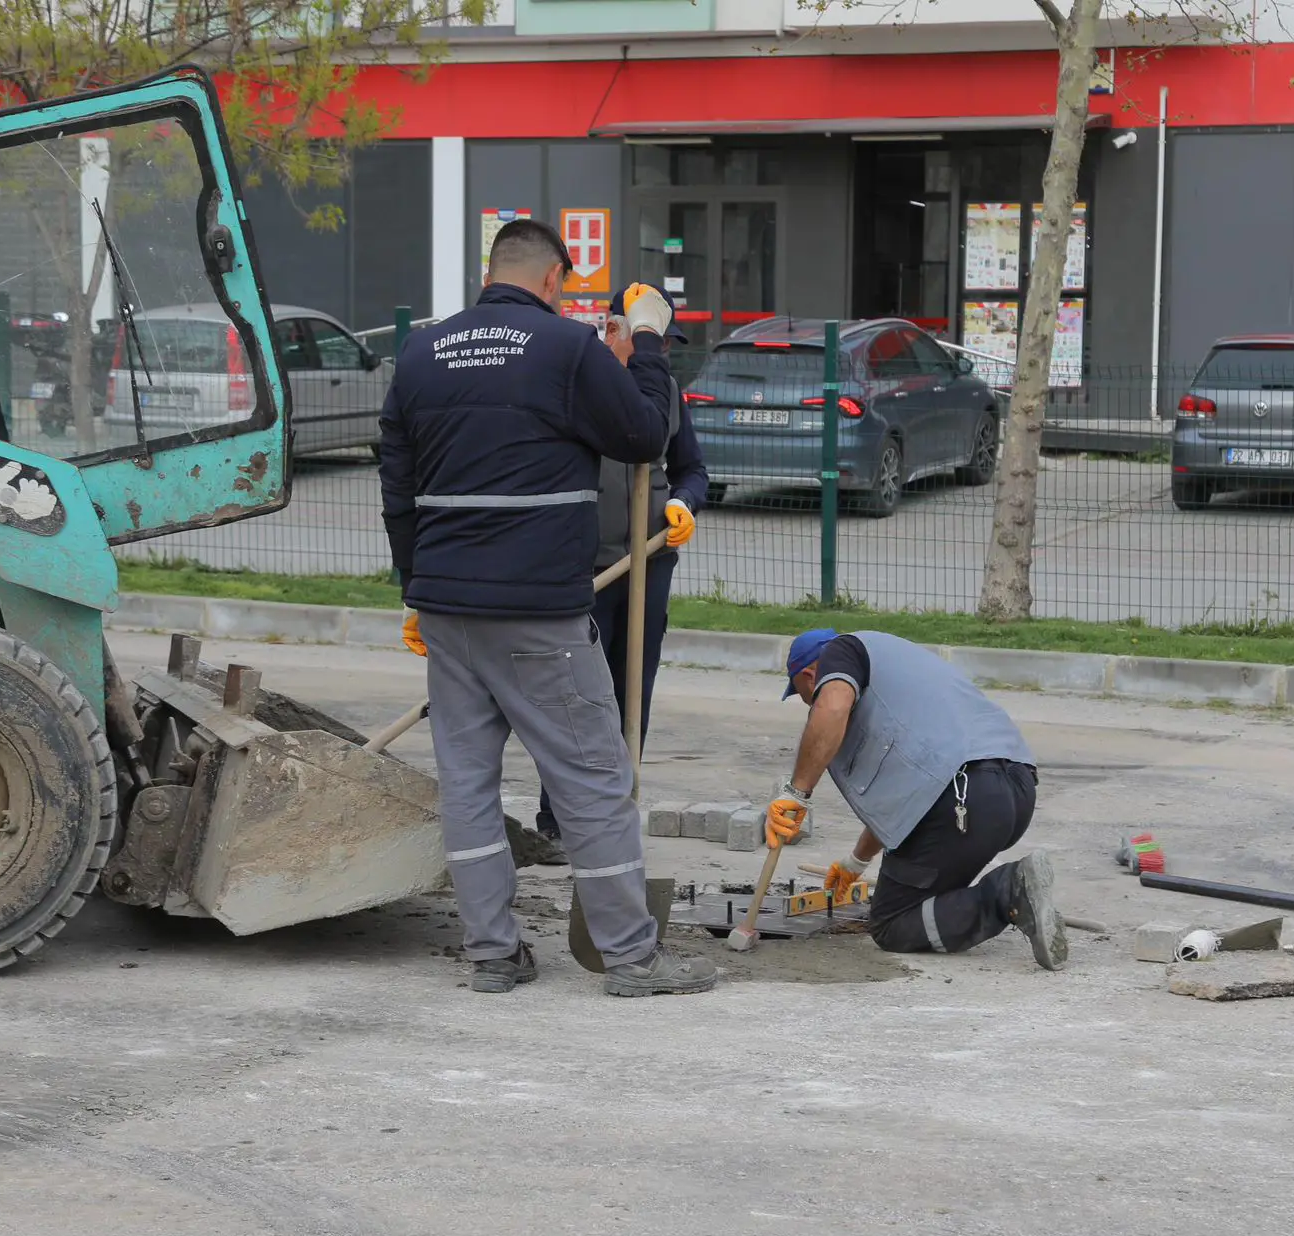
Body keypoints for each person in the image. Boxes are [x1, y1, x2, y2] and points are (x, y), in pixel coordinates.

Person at [378, 217, 718, 998]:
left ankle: (493, 955)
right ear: (555, 280)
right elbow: (639, 438)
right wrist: (651, 341)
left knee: (466, 786)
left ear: (491, 272)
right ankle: (632, 958)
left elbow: (397, 486)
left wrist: (413, 584)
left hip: (448, 611)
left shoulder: (421, 354)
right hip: (538, 612)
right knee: (593, 778)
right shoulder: (567, 349)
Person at [766, 627, 1067, 968]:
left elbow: (832, 707)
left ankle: (1008, 892)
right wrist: (856, 862)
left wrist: (796, 793)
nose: (809, 702)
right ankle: (1018, 893)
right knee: (929, 903)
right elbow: (906, 797)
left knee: (892, 923)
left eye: (805, 694)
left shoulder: (842, 653)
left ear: (810, 675)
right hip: (1013, 793)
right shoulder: (897, 663)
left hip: (962, 801)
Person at [533, 293, 708, 842]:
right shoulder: (578, 385)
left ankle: (616, 809)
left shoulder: (668, 395)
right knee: (577, 695)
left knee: (636, 688)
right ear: (614, 331)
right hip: (588, 570)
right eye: (648, 340)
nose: (659, 356)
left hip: (649, 564)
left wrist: (683, 503)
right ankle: (557, 820)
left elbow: (693, 468)